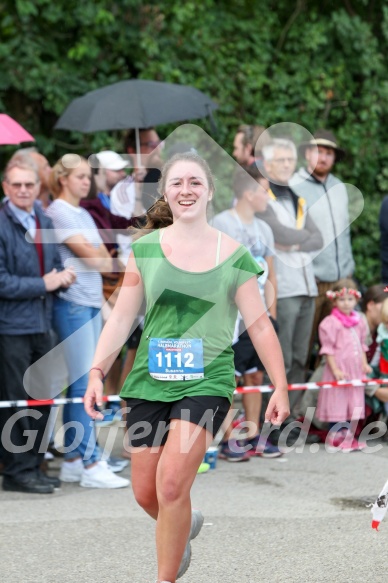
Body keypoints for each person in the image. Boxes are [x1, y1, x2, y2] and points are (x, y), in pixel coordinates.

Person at [84, 152, 290, 582]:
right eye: (178, 183)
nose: (186, 190)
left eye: (195, 182)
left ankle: (166, 577)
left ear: (209, 192)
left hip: (206, 381)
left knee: (173, 484)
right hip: (147, 382)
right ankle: (183, 525)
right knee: (146, 492)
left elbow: (260, 327)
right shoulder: (144, 250)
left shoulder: (234, 255)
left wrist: (281, 387)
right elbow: (122, 317)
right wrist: (97, 373)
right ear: (166, 193)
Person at [46, 154, 129, 488]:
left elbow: (102, 257)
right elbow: (98, 259)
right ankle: (91, 462)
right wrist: (104, 258)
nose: (87, 181)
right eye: (80, 176)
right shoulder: (58, 212)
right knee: (83, 385)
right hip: (74, 305)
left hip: (91, 303)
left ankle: (75, 459)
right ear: (63, 178)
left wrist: (104, 258)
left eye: (88, 176)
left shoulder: (81, 212)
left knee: (83, 382)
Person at [0, 157, 76, 493]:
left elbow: (55, 266)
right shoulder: (2, 224)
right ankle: (17, 472)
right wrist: (44, 284)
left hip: (43, 324)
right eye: (16, 184)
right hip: (11, 327)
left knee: (43, 398)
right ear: (6, 187)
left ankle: (34, 464)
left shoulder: (42, 218)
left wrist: (63, 278)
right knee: (16, 399)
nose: (23, 190)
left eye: (29, 184)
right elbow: (1, 282)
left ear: (37, 187)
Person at [212, 166, 281, 460]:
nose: (269, 197)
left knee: (255, 376)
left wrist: (272, 314)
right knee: (230, 377)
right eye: (264, 190)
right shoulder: (221, 222)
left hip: (258, 315)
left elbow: (271, 276)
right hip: (230, 315)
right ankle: (229, 438)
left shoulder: (264, 229)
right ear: (248, 193)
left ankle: (253, 434)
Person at [258, 138, 323, 411]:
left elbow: (318, 238)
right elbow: (277, 234)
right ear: (268, 164)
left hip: (307, 286)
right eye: (281, 160)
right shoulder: (263, 197)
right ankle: (267, 417)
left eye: (290, 160)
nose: (287, 165)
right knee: (280, 358)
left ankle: (291, 417)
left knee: (300, 358)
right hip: (283, 288)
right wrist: (298, 238)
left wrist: (293, 242)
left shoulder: (298, 199)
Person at [289, 130, 354, 368]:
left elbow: (345, 232)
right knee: (302, 345)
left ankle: (322, 402)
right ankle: (293, 403)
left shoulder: (339, 187)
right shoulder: (294, 186)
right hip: (310, 280)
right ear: (307, 153)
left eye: (329, 153)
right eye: (318, 152)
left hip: (340, 280)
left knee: (336, 347)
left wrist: (348, 269)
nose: (324, 158)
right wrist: (305, 270)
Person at [316, 278, 371, 451]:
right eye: (342, 299)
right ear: (334, 300)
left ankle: (348, 435)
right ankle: (335, 435)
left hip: (354, 370)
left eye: (350, 299)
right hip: (339, 370)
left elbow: (362, 345)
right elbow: (328, 349)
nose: (346, 303)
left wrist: (364, 364)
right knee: (338, 402)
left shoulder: (359, 321)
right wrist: (335, 370)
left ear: (356, 300)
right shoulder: (330, 323)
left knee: (352, 402)